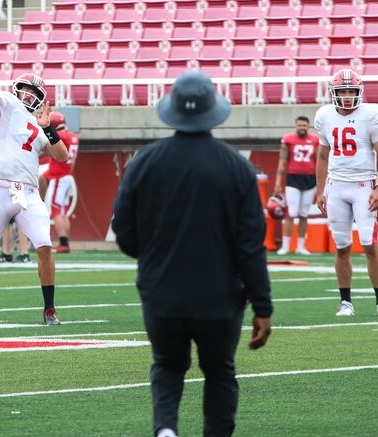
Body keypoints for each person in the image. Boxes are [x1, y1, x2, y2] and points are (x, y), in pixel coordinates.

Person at [111, 71, 272, 437]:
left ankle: (166, 429)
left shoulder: (145, 162)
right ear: (213, 111)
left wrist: (150, 257)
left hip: (161, 291)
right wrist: (263, 305)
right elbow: (251, 245)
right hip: (220, 296)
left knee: (167, 365)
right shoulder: (237, 168)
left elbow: (124, 231)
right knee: (219, 371)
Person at [0, 40, 69, 325]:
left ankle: (50, 309)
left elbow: (61, 156)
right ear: (16, 90)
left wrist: (48, 127)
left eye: (33, 92)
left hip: (27, 193)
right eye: (24, 89)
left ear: (41, 98)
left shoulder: (40, 126)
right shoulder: (5, 106)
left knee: (45, 245)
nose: (26, 95)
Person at [314, 69, 378, 318]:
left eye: (351, 91)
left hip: (364, 185)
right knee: (341, 247)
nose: (347, 96)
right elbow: (322, 156)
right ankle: (345, 302)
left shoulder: (371, 115)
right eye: (342, 91)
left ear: (359, 92)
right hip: (336, 186)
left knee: (370, 245)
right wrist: (320, 191)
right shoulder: (325, 115)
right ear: (333, 93)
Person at [273, 116, 319, 256]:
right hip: (293, 178)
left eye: (304, 125)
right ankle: (286, 246)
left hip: (310, 179)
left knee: (304, 214)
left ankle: (301, 246)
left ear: (308, 126)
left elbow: (319, 162)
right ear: (296, 126)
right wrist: (278, 182)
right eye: (299, 125)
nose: (302, 128)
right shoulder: (288, 140)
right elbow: (282, 162)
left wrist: (321, 184)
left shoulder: (315, 140)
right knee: (291, 213)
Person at [39, 111, 80, 253]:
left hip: (59, 177)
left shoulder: (60, 136)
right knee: (61, 211)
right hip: (67, 175)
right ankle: (65, 241)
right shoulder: (73, 136)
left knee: (55, 210)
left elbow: (45, 145)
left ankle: (63, 243)